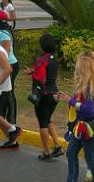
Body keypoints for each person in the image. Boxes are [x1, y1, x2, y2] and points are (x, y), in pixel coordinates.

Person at [57, 51, 94, 182]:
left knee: (91, 158)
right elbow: (93, 108)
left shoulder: (92, 85)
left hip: (91, 125)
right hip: (81, 124)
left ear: (84, 68)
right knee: (71, 152)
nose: (76, 69)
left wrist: (71, 100)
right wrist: (66, 98)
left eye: (78, 66)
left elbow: (89, 109)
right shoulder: (83, 84)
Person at [24, 33, 63, 162]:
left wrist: (32, 74)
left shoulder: (42, 59)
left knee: (43, 124)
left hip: (44, 95)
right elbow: (47, 74)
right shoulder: (54, 58)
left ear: (42, 46)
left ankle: (47, 153)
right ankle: (57, 146)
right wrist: (33, 71)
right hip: (54, 94)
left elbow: (41, 78)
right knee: (48, 119)